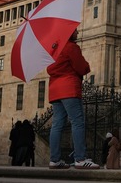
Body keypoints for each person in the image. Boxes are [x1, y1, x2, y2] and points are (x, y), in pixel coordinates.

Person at [47, 29, 99, 169]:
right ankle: (80, 159)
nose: (77, 32)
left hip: (55, 90)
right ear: (69, 33)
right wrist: (87, 65)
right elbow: (82, 68)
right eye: (75, 30)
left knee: (57, 125)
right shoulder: (71, 47)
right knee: (77, 122)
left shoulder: (54, 49)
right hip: (69, 88)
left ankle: (55, 159)